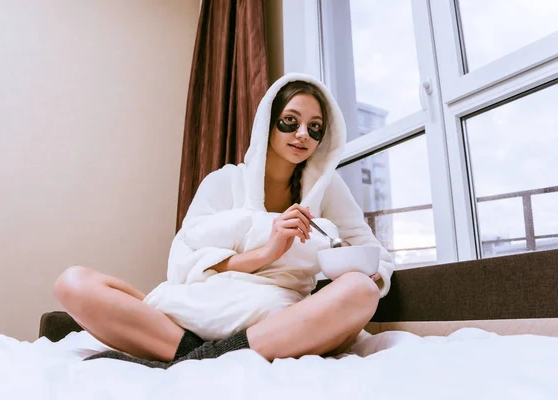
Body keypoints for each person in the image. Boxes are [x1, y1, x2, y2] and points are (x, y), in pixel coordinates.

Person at [54, 73, 394, 368]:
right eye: (290, 121)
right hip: (196, 310)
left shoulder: (327, 188)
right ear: (268, 123)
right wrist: (267, 251)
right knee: (73, 283)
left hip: (274, 319)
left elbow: (373, 252)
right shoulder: (223, 181)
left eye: (314, 128)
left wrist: (372, 271)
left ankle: (201, 359)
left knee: (362, 290)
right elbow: (183, 262)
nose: (302, 133)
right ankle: (207, 351)